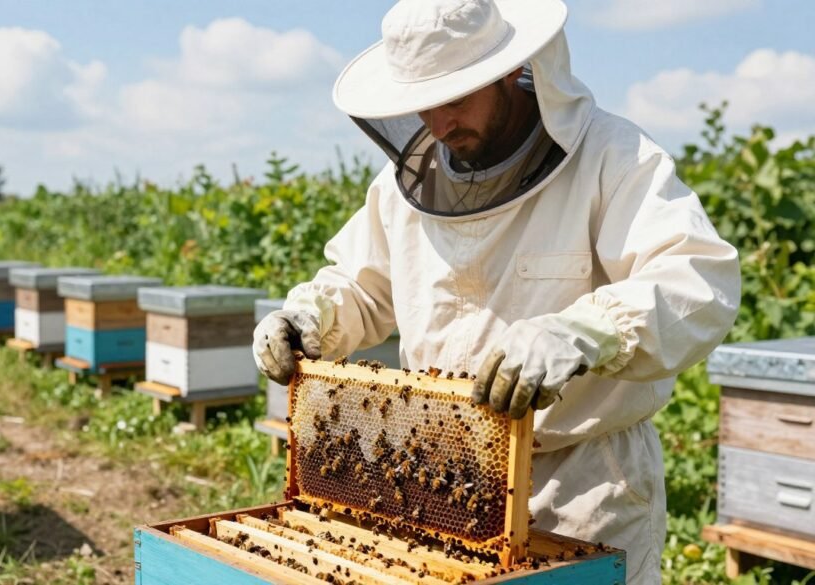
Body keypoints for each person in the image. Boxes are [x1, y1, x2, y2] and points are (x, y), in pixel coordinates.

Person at [252, 0, 741, 583]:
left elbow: (696, 279)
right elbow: (362, 283)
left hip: (582, 483)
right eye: (421, 106)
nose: (439, 125)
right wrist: (310, 314)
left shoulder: (614, 158)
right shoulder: (405, 186)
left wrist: (582, 332)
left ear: (508, 71)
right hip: (438, 477)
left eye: (455, 99)